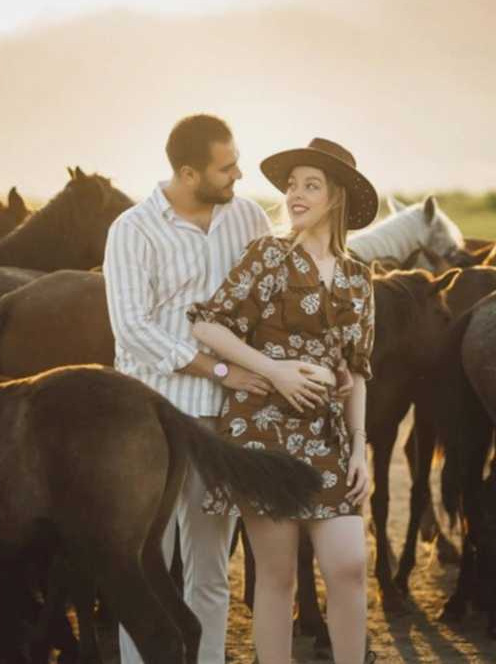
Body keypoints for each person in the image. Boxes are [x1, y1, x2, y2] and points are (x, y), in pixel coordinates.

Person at [189, 137, 378, 664]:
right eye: (292, 185)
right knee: (276, 577)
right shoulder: (268, 256)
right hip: (262, 433)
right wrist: (272, 371)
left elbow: (357, 370)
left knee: (348, 566)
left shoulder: (361, 279)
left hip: (327, 438)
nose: (295, 194)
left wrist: (359, 446)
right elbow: (208, 324)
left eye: (310, 186)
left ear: (335, 198)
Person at [103, 113, 272, 664]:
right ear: (187, 171)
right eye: (226, 168)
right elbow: (131, 329)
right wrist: (217, 369)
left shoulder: (248, 220)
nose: (239, 175)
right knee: (147, 568)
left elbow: (269, 304)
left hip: (220, 425)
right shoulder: (133, 229)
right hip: (147, 427)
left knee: (210, 570)